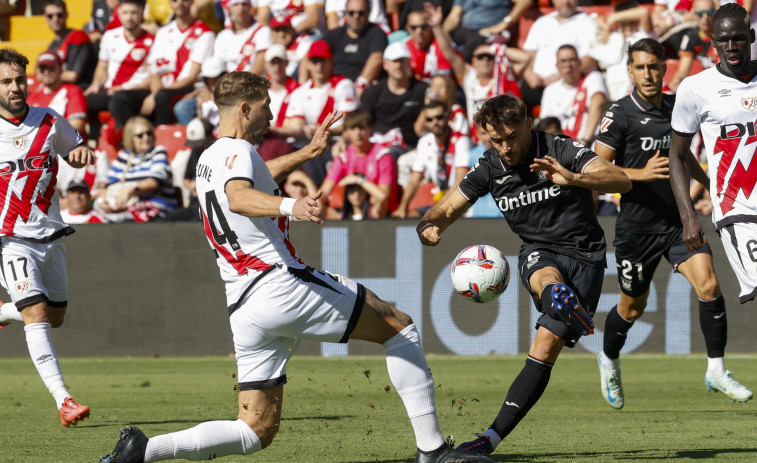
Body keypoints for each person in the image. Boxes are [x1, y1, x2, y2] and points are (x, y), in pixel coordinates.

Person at [98, 71, 493, 463]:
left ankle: (144, 451)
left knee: (255, 431)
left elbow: (251, 179)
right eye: (267, 107)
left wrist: (306, 154)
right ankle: (434, 451)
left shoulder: (209, 157)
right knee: (399, 326)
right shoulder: (238, 151)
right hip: (278, 283)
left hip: (243, 306)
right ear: (246, 108)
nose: (272, 116)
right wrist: (292, 206)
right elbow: (239, 197)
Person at [415, 94, 631, 456]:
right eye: (495, 140)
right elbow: (446, 208)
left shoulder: (559, 148)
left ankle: (491, 436)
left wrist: (574, 178)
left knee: (544, 349)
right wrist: (427, 226)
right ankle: (488, 441)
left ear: (529, 124)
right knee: (544, 272)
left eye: (511, 137)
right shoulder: (488, 167)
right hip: (539, 250)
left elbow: (621, 181)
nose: (504, 147)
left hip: (587, 257)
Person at [594, 37, 752, 409]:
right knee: (633, 307)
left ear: (664, 68)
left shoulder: (677, 104)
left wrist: (711, 182)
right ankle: (609, 357)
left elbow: (680, 158)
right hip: (636, 228)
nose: (648, 74)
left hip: (677, 222)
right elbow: (595, 168)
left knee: (709, 284)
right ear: (629, 71)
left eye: (654, 66)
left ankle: (715, 369)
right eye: (640, 67)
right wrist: (641, 172)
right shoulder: (619, 114)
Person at [0, 47, 95, 427]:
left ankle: (6, 311)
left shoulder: (49, 120)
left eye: (19, 79)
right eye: (6, 81)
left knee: (55, 317)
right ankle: (65, 400)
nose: (15, 87)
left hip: (50, 234)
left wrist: (79, 154)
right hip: (9, 239)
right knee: (37, 315)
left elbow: (73, 150)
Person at [670, 4, 757, 306]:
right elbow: (678, 157)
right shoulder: (695, 88)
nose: (731, 47)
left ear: (752, 35)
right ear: (713, 42)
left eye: (739, 38)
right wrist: (688, 216)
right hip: (738, 210)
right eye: (723, 39)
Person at [114, 0, 215, 127]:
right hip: (160, 88)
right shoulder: (163, 32)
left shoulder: (205, 33)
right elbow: (154, 70)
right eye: (174, 0)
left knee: (161, 96)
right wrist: (155, 92)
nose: (179, 3)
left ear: (191, 2)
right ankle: (126, 141)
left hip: (186, 88)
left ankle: (163, 136)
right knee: (120, 98)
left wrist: (156, 94)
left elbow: (192, 76)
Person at [84, 0, 154, 141]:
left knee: (119, 99)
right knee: (81, 99)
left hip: (137, 91)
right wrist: (95, 85)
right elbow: (102, 66)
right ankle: (83, 145)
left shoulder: (153, 39)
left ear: (142, 13)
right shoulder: (110, 36)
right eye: (125, 12)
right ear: (118, 13)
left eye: (134, 12)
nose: (129, 17)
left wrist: (123, 88)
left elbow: (154, 75)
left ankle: (125, 143)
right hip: (111, 90)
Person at [93, 116, 179, 222]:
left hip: (155, 209)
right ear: (130, 138)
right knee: (96, 206)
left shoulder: (158, 152)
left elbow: (155, 182)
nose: (146, 138)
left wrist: (131, 189)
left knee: (120, 220)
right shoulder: (124, 156)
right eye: (140, 135)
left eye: (149, 133)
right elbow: (108, 185)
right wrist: (104, 200)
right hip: (125, 207)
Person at [394, 100, 471, 218]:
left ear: (448, 117)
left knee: (432, 218)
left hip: (460, 199)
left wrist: (438, 208)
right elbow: (414, 179)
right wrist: (402, 207)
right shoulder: (425, 141)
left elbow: (461, 178)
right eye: (430, 119)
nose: (435, 122)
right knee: (409, 217)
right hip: (440, 198)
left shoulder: (460, 139)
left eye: (439, 117)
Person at [520, 0, 598, 112]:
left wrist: (560, 76)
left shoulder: (588, 23)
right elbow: (528, 54)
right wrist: (528, 74)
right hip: (533, 84)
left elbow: (590, 60)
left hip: (566, 85)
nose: (566, 2)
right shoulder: (542, 22)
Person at [321, 109, 397, 217]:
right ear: (346, 132)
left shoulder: (383, 156)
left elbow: (382, 198)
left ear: (370, 128)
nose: (357, 133)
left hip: (379, 215)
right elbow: (323, 193)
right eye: (352, 128)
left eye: (361, 128)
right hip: (350, 213)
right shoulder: (344, 158)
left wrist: (358, 180)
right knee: (316, 207)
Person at [361, 41, 428, 150]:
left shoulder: (422, 90)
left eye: (402, 61)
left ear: (408, 62)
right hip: (377, 145)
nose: (398, 65)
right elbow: (363, 121)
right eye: (394, 61)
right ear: (385, 64)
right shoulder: (373, 91)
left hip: (412, 147)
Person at [539, 44, 608, 147]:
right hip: (560, 147)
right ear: (557, 66)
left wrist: (585, 140)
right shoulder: (550, 90)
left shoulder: (592, 78)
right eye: (563, 61)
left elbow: (598, 103)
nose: (568, 65)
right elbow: (546, 125)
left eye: (572, 60)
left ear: (579, 62)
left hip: (588, 143)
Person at [322, 0, 387, 95]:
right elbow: (312, 55)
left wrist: (360, 86)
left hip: (363, 88)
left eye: (361, 13)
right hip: (334, 87)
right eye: (351, 13)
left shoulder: (377, 33)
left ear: (369, 13)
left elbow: (377, 59)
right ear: (345, 14)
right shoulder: (333, 35)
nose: (356, 16)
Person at [27, 51, 88, 135]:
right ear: (36, 71)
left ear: (61, 69)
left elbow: (76, 127)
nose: (47, 72)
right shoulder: (32, 97)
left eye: (51, 68)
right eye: (42, 68)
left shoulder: (73, 91)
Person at [43, 0, 96, 89]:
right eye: (50, 16)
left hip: (81, 89)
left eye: (59, 15)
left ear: (66, 15)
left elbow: (73, 75)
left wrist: (46, 76)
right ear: (45, 18)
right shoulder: (52, 45)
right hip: (62, 89)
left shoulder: (78, 37)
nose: (55, 19)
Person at [213, 0, 272, 75]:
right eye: (236, 5)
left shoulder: (262, 31)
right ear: (229, 9)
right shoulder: (222, 36)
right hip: (226, 84)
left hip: (252, 84)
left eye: (244, 4)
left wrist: (237, 84)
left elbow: (260, 67)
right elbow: (217, 66)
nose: (241, 9)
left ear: (250, 7)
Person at [668, 0, 717, 92]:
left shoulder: (725, 35)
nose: (705, 17)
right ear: (693, 15)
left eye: (710, 12)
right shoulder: (690, 37)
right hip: (705, 86)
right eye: (700, 13)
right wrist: (677, 83)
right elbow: (683, 72)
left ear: (715, 12)